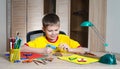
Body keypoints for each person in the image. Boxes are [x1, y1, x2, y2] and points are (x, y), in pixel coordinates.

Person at [20, 13, 85, 55]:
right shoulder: (39, 41)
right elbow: (21, 49)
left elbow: (82, 50)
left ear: (59, 28)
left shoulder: (65, 38)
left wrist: (70, 49)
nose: (53, 33)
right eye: (50, 31)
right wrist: (41, 51)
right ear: (43, 29)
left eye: (56, 30)